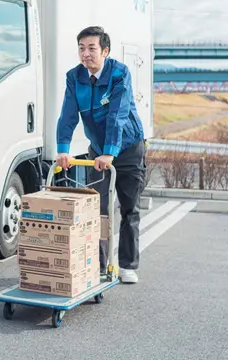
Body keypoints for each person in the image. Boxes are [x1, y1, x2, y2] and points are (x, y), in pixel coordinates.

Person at [55, 25, 147, 284]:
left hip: (127, 148)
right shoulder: (75, 78)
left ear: (105, 51)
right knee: (97, 209)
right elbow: (68, 115)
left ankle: (128, 265)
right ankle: (97, 264)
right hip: (98, 151)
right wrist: (62, 150)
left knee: (130, 208)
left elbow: (117, 114)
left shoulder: (119, 73)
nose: (86, 54)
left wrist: (110, 152)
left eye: (92, 48)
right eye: (81, 48)